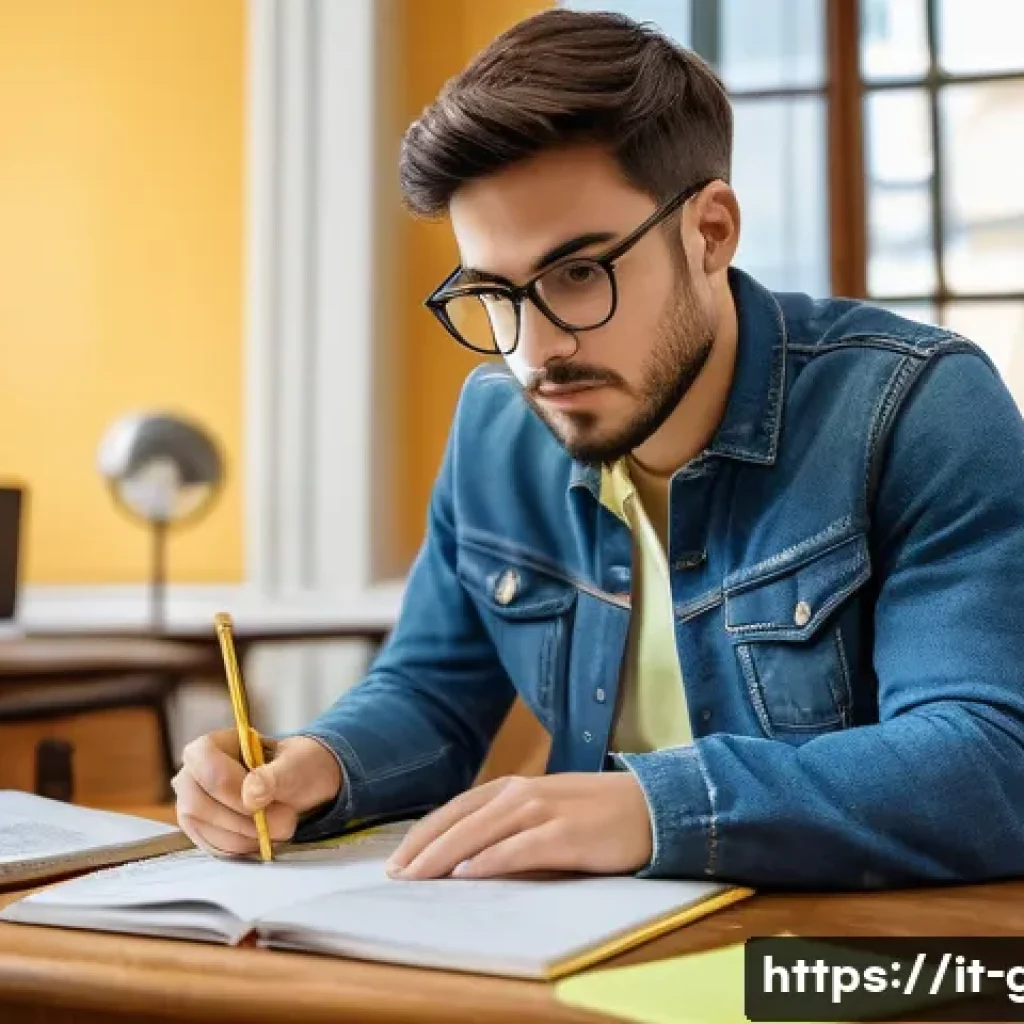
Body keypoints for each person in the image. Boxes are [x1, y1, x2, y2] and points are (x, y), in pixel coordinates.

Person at [172, 9, 1024, 888]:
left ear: (711, 232)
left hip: (838, 968)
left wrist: (655, 807)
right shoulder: (496, 428)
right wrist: (318, 765)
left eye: (578, 274)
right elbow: (429, 692)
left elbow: (993, 762)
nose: (535, 352)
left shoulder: (918, 407)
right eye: (495, 293)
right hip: (582, 952)